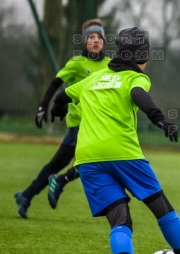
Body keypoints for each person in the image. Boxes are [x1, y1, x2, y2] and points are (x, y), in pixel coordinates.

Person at [50, 27, 180, 254]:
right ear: (142, 56)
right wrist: (160, 119)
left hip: (88, 159)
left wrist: (57, 109)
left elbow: (62, 96)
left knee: (119, 219)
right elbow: (140, 97)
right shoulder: (135, 78)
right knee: (162, 208)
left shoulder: (93, 79)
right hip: (124, 154)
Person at [14, 18, 111, 218]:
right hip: (79, 127)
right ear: (85, 41)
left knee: (83, 163)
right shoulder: (76, 63)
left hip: (99, 126)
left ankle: (28, 194)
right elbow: (55, 83)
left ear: (104, 42)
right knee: (78, 163)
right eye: (91, 37)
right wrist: (43, 106)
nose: (95, 41)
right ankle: (38, 190)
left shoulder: (110, 65)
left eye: (99, 38)